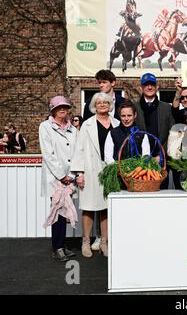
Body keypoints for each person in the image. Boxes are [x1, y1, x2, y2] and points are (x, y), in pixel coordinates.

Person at [71, 92, 120, 258]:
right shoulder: (87, 125)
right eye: (98, 102)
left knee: (106, 207)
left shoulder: (117, 123)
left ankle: (104, 242)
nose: (102, 105)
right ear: (94, 106)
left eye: (105, 102)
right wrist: (79, 173)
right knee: (89, 207)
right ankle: (86, 241)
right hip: (91, 169)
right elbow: (79, 149)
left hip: (110, 170)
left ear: (109, 104)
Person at [39, 96, 78, 261]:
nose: (63, 110)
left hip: (69, 177)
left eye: (65, 107)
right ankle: (57, 247)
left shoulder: (73, 129)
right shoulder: (45, 127)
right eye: (59, 107)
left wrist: (72, 175)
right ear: (52, 109)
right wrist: (62, 175)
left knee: (65, 211)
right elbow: (48, 154)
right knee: (57, 210)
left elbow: (77, 152)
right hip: (55, 178)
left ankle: (61, 244)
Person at [104, 99, 160, 165]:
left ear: (135, 115)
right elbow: (108, 157)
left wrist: (137, 169)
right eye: (123, 116)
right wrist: (118, 168)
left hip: (137, 172)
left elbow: (145, 156)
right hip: (117, 171)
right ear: (119, 116)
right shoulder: (112, 133)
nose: (126, 119)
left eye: (129, 115)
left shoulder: (142, 134)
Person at [135, 72, 175, 149]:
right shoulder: (134, 107)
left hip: (162, 153)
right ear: (141, 88)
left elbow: (172, 133)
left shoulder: (167, 108)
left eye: (152, 85)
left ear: (157, 87)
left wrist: (162, 153)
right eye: (146, 85)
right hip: (140, 155)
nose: (149, 87)